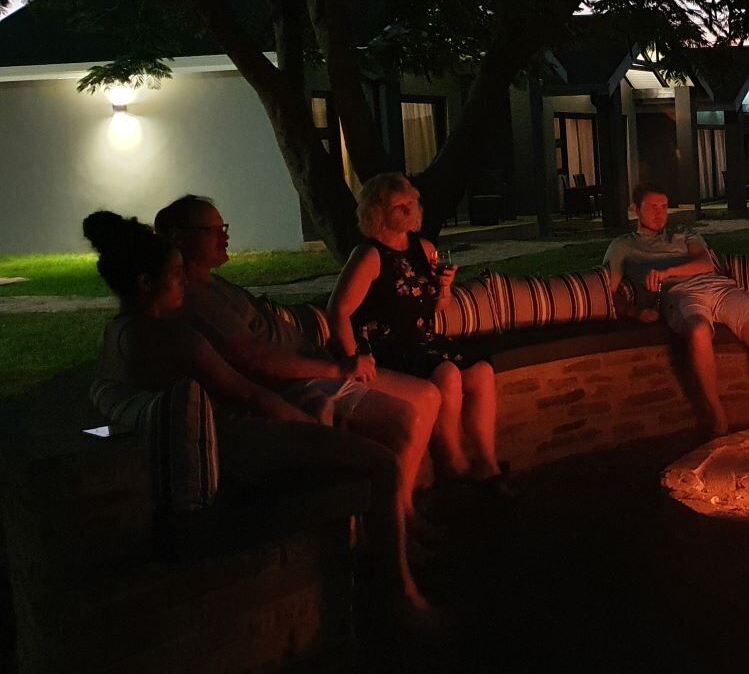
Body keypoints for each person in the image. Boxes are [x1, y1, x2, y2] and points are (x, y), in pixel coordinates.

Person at [82, 211, 422, 606]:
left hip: (219, 441)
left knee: (343, 424)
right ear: (146, 284)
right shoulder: (178, 340)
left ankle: (375, 559)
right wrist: (315, 431)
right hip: (238, 446)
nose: (183, 283)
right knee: (383, 463)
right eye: (175, 275)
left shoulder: (117, 333)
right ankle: (400, 593)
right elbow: (251, 396)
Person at [154, 194, 440, 526]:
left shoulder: (216, 284)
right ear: (178, 237)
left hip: (314, 368)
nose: (225, 236)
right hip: (301, 382)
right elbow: (257, 359)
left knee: (430, 395)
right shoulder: (196, 299)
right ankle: (394, 516)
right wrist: (338, 367)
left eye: (224, 227)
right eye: (212, 230)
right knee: (407, 417)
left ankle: (401, 503)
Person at [329, 173, 505, 490]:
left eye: (412, 204)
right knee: (449, 374)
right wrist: (350, 359)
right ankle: (451, 466)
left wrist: (445, 288)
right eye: (400, 207)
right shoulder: (369, 256)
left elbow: (437, 306)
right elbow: (338, 310)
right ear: (378, 212)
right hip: (388, 348)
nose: (410, 212)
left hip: (423, 342)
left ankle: (487, 465)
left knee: (480, 372)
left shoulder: (424, 249)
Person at [603, 184, 749, 435]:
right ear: (635, 210)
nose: (660, 214)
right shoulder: (622, 247)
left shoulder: (683, 233)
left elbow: (704, 263)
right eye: (652, 207)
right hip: (681, 295)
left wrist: (668, 272)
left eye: (664, 207)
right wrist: (636, 313)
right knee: (699, 330)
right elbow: (609, 292)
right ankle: (719, 417)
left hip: (717, 287)